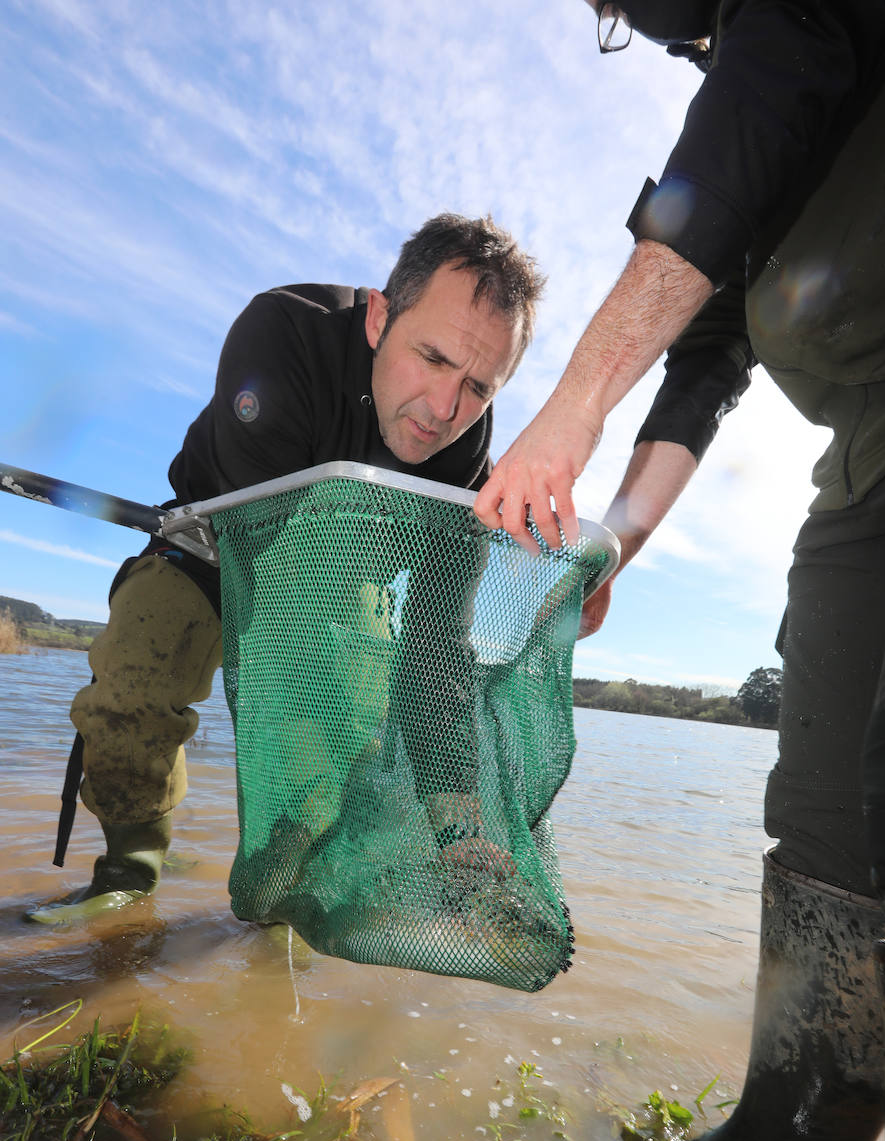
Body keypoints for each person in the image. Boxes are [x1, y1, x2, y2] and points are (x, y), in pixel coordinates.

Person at [476, 0, 885, 1141]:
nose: (624, 18)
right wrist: (611, 540)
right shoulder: (728, 103)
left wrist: (562, 414)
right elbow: (702, 367)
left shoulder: (779, 52)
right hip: (863, 465)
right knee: (822, 814)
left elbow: (745, 129)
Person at [36, 212, 544, 923]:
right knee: (132, 683)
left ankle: (290, 880)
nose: (443, 410)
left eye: (480, 386)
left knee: (328, 759)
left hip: (347, 578)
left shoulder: (465, 467)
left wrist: (458, 822)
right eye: (431, 358)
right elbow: (273, 594)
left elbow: (437, 649)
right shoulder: (281, 334)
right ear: (378, 318)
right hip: (215, 543)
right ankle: (131, 865)